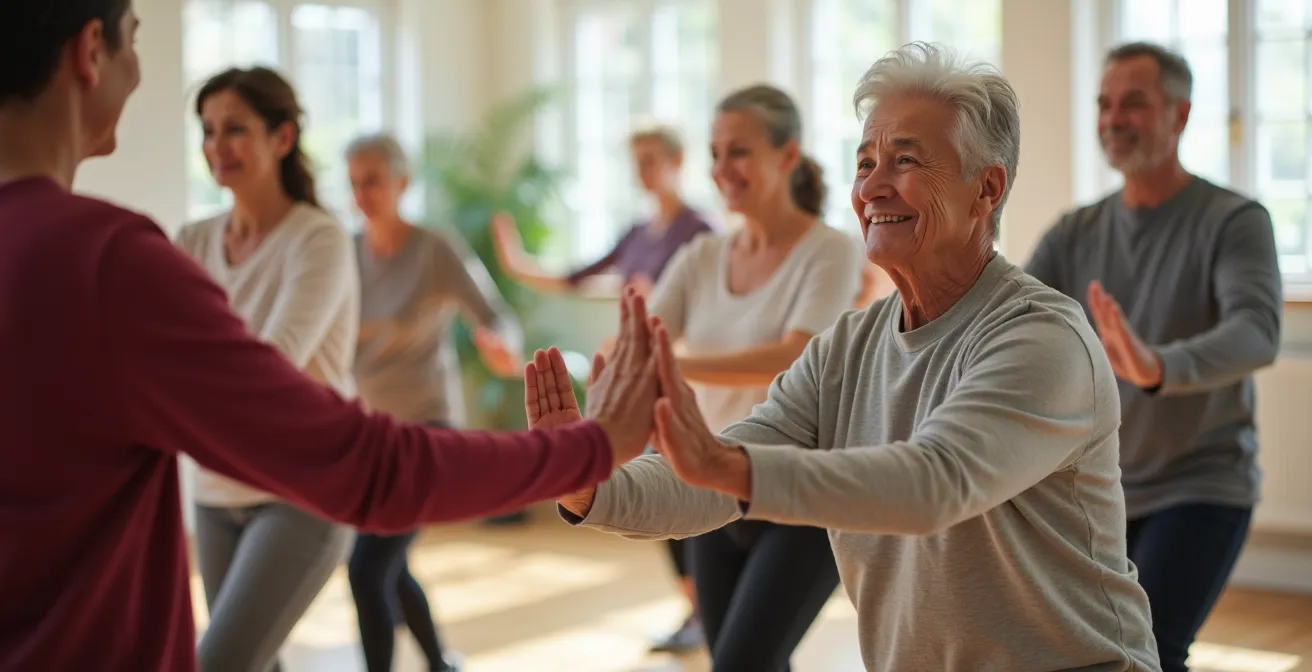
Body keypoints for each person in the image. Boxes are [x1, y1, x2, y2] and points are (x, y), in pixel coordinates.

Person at [0, 3, 657, 670]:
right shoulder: (110, 262)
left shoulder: (329, 243)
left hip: (322, 470)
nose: (138, 71)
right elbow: (365, 467)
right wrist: (591, 446)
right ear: (90, 51)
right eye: (134, 40)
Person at [540, 42, 1162, 671]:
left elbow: (931, 484)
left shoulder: (1040, 337)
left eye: (906, 160)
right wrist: (591, 485)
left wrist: (723, 465)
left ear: (986, 189)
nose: (873, 186)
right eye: (866, 162)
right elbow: (718, 476)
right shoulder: (847, 347)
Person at [1025, 42, 1282, 672]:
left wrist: (1158, 366)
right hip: (1096, 490)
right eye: (1104, 104)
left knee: (1152, 651)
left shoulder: (1234, 220)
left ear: (1181, 115)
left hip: (1200, 483)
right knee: (1089, 654)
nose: (1114, 118)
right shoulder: (1073, 232)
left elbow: (1257, 331)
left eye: (1133, 104)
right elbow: (1014, 326)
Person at [596, 83, 868, 670]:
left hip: (800, 492)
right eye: (716, 153)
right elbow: (639, 344)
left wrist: (673, 365)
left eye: (738, 151)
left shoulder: (831, 251)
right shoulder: (701, 258)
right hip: (708, 487)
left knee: (742, 662)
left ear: (787, 155)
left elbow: (794, 353)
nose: (722, 169)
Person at [174, 65, 362, 672]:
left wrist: (183, 383)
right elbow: (164, 356)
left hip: (303, 488)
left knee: (220, 662)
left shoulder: (318, 239)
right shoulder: (194, 240)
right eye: (207, 131)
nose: (216, 146)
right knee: (256, 663)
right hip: (215, 487)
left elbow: (271, 368)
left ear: (282, 138)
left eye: (234, 129)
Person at [344, 132, 525, 672]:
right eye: (353, 182)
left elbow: (497, 317)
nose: (362, 193)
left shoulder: (434, 249)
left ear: (403, 181)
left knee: (367, 569)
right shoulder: (345, 252)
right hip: (368, 435)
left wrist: (500, 347)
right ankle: (439, 665)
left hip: (425, 432)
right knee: (389, 568)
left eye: (373, 180)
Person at [491, 124, 715, 299]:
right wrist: (516, 265)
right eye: (636, 162)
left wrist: (654, 297)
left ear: (677, 160)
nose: (641, 172)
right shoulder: (637, 233)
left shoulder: (699, 229)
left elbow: (708, 302)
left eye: (649, 161)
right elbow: (576, 279)